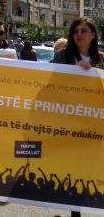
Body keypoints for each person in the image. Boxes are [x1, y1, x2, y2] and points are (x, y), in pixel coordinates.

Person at [51, 17, 104, 217]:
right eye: (75, 31)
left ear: (92, 34)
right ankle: (76, 213)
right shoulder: (62, 57)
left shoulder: (102, 59)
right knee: (74, 169)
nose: (79, 34)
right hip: (68, 123)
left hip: (95, 124)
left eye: (84, 30)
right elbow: (43, 80)